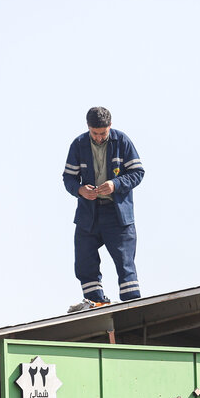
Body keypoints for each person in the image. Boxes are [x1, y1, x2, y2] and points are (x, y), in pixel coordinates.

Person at [63, 107, 144, 312]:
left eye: (103, 133)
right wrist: (80, 190)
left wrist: (115, 184)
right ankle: (95, 303)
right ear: (88, 127)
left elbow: (137, 172)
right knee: (84, 261)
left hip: (117, 215)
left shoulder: (122, 141)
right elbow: (68, 178)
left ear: (110, 126)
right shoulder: (78, 144)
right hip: (88, 214)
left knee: (125, 263)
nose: (99, 137)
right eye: (95, 133)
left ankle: (132, 306)